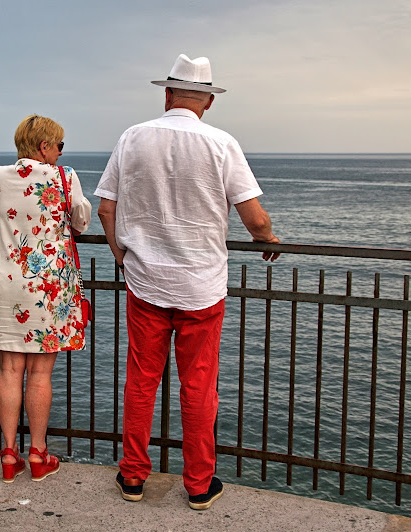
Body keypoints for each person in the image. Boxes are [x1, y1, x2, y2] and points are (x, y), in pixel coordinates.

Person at [95, 54, 280, 510]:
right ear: (209, 102)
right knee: (198, 387)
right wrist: (267, 238)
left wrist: (123, 257)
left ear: (167, 95)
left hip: (146, 283)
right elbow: (253, 216)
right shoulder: (222, 144)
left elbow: (105, 207)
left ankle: (133, 477)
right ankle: (199, 485)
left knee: (141, 381)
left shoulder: (133, 137)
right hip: (201, 287)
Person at [0, 114, 92, 483]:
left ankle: (9, 454)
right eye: (59, 145)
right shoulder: (64, 177)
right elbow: (82, 222)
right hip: (47, 287)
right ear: (44, 147)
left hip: (3, 284)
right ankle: (38, 453)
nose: (60, 152)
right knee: (40, 373)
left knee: (9, 371)